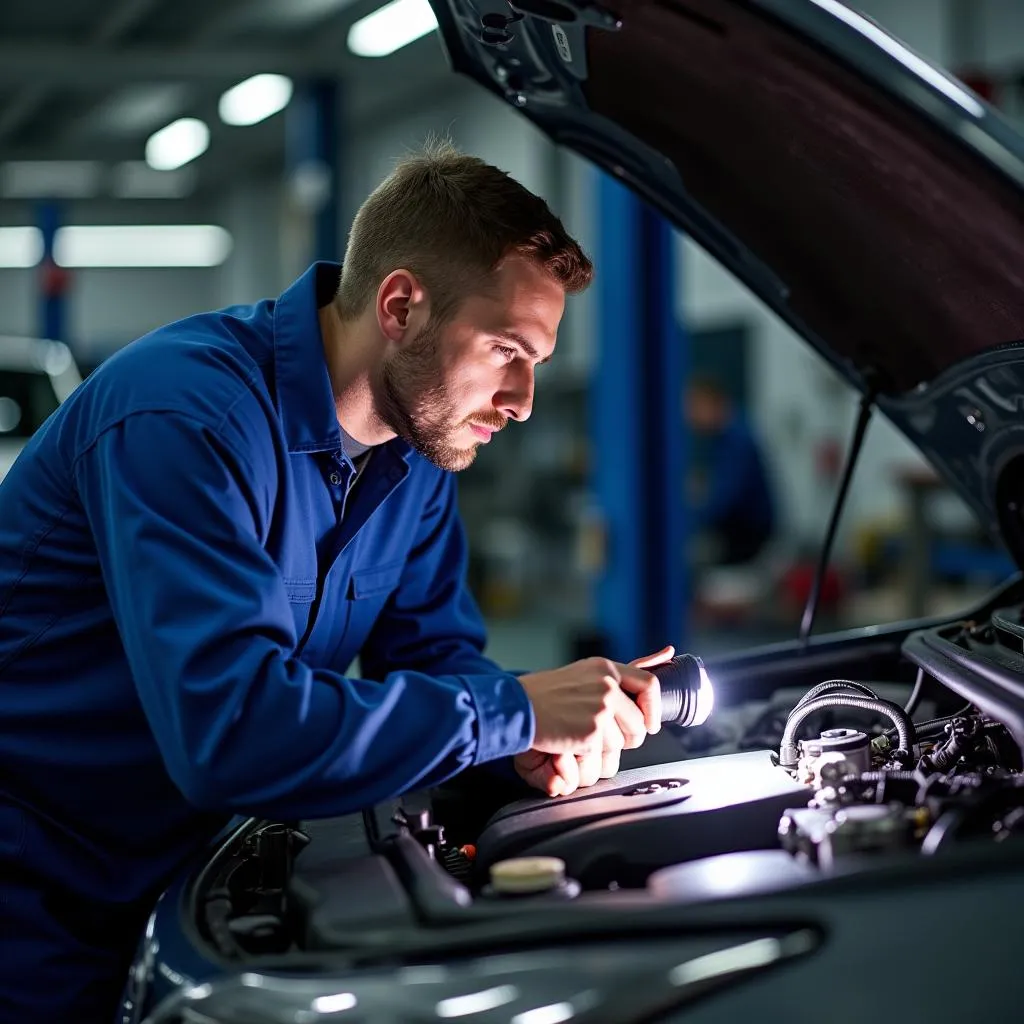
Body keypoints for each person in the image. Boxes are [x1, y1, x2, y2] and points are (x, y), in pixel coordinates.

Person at [0, 142, 673, 1022]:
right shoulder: (183, 419)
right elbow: (232, 733)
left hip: (184, 881)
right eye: (507, 348)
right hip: (33, 894)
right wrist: (511, 709)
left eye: (537, 361)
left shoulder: (419, 452)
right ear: (401, 304)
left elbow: (436, 660)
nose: (523, 399)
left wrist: (523, 744)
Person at [686, 375, 775, 565]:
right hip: (742, 537)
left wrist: (689, 514)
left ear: (711, 403)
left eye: (695, 407)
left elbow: (725, 501)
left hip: (749, 541)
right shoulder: (722, 439)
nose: (691, 418)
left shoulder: (736, 440)